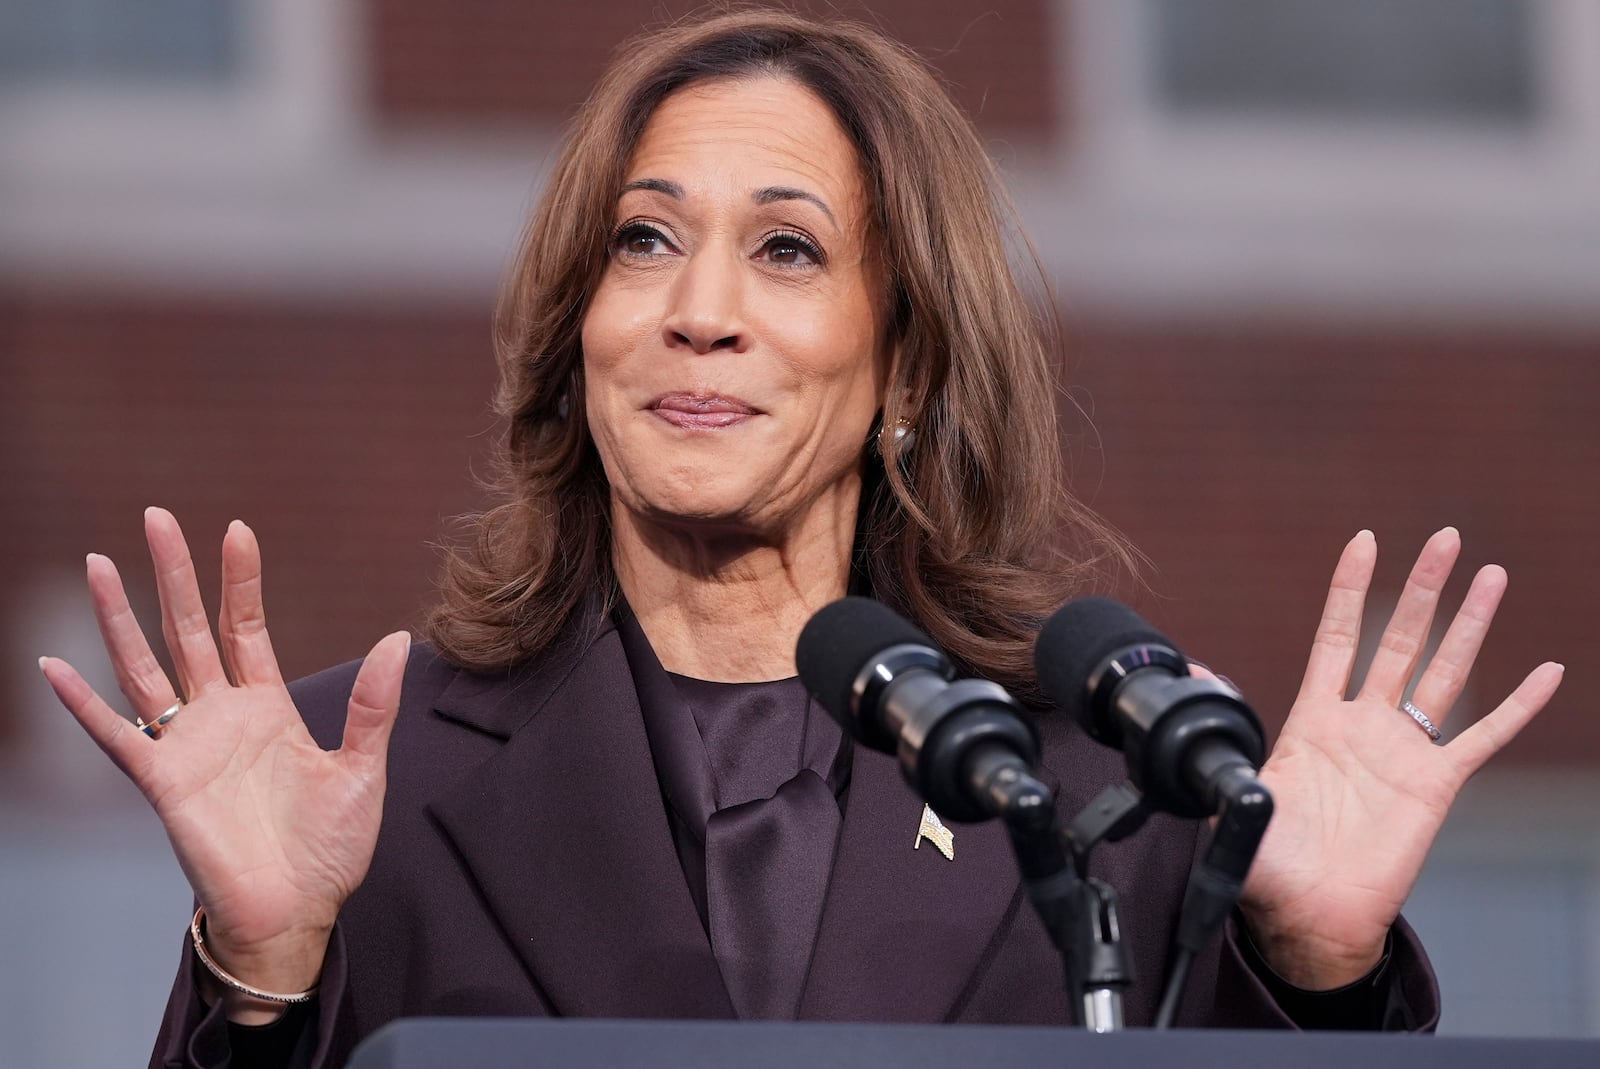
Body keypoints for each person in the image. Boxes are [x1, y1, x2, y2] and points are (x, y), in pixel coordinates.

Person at [39, 9, 1562, 1068]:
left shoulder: (1108, 790)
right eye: (644, 240)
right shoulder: (351, 779)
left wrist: (1321, 971)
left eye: (787, 248)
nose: (700, 311)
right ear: (580, 333)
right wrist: (260, 976)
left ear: (904, 363)